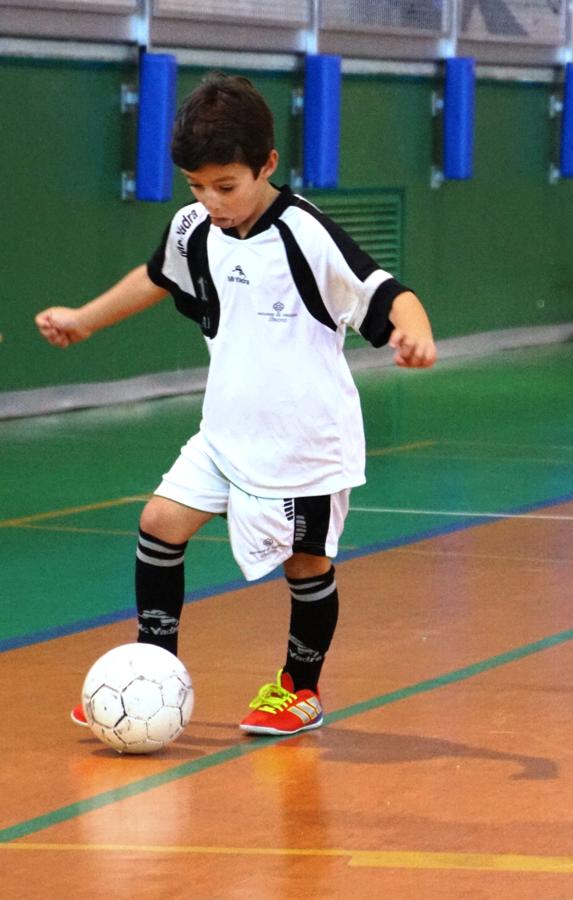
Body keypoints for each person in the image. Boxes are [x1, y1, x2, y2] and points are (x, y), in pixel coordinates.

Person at [37, 72, 436, 737]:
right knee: (160, 522)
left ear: (268, 164)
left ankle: (299, 689)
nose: (211, 201)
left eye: (226, 186)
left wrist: (415, 329)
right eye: (197, 186)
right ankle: (151, 666)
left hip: (303, 445)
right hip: (225, 433)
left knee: (305, 564)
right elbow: (157, 277)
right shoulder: (194, 228)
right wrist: (84, 320)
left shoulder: (307, 235)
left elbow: (385, 290)